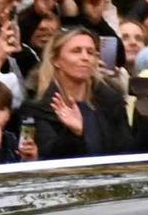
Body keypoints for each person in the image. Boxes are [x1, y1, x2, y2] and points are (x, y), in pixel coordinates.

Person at [24, 25, 138, 159]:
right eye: (76, 51)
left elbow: (127, 151)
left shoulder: (111, 102)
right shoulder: (38, 108)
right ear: (56, 61)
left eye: (90, 52)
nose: (85, 57)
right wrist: (73, 133)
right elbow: (47, 156)